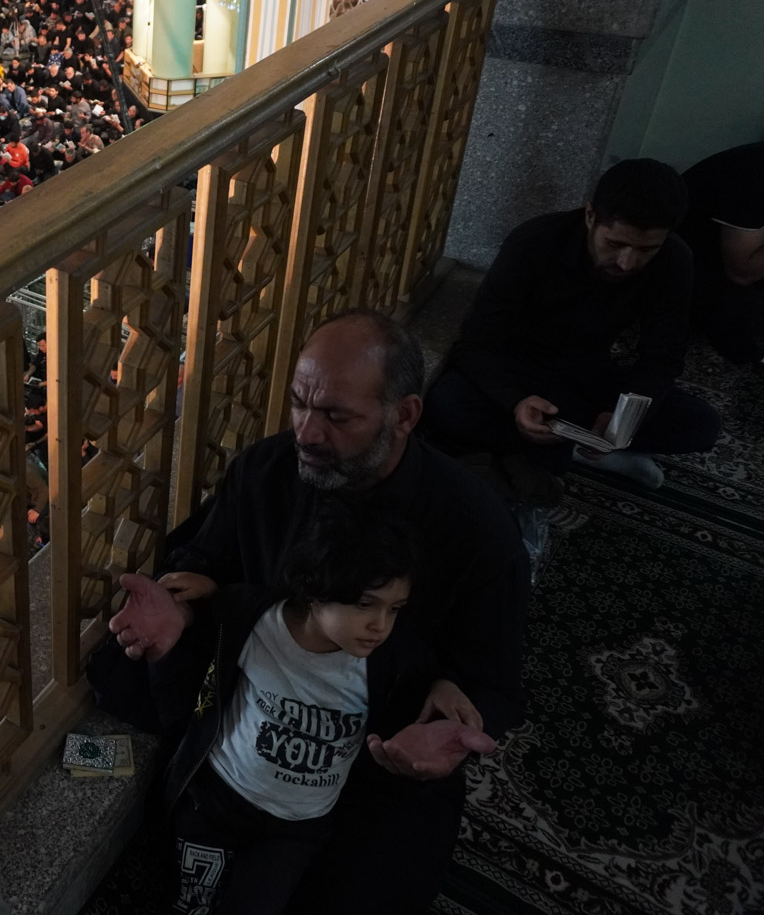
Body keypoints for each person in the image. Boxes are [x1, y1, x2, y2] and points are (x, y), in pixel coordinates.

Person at [107, 309, 527, 913]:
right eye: (300, 404)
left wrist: (450, 714)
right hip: (256, 717)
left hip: (385, 746)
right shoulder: (268, 471)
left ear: (404, 416)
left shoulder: (476, 530)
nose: (306, 433)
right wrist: (180, 612)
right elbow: (207, 566)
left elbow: (493, 678)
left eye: (336, 416)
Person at [149, 501, 433, 915]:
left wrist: (446, 688)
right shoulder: (256, 620)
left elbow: (426, 682)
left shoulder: (388, 662)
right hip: (218, 798)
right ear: (314, 591)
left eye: (394, 609)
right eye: (364, 604)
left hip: (297, 827)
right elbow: (215, 612)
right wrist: (205, 592)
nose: (380, 625)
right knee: (189, 901)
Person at [423, 159, 722, 490]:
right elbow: (476, 343)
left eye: (646, 249)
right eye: (615, 244)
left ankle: (568, 447)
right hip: (519, 367)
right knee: (446, 402)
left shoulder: (673, 259)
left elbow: (662, 357)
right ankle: (578, 450)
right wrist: (516, 401)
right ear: (591, 215)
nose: (627, 263)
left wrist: (620, 417)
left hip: (587, 373)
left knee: (700, 424)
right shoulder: (534, 242)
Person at [677, 143, 764, 365]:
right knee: (742, 310)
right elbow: (741, 272)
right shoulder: (754, 172)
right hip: (692, 259)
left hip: (735, 258)